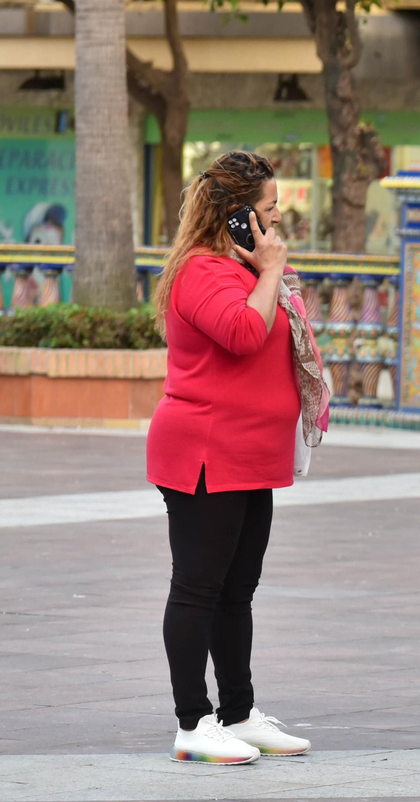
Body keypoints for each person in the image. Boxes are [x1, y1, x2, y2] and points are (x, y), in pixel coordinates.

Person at [147, 150, 330, 765]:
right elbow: (246, 336)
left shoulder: (245, 270)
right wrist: (272, 270)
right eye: (270, 210)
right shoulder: (202, 273)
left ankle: (239, 713)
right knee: (198, 587)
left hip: (252, 455)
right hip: (204, 451)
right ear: (235, 217)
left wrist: (268, 271)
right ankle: (192, 723)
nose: (278, 222)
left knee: (238, 590)